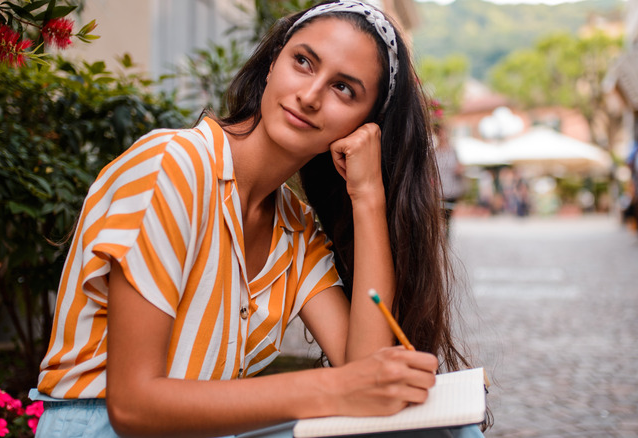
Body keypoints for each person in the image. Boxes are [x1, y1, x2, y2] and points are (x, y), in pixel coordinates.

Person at [31, 2, 483, 437]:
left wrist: (367, 196)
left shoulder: (295, 227)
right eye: (303, 62)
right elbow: (132, 406)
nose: (309, 96)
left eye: (344, 89)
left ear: (365, 125)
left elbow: (364, 371)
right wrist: (334, 389)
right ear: (272, 64)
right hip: (100, 427)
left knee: (442, 432)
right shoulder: (172, 166)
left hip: (205, 432)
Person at [433, 123, 465, 236]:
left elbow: (460, 166)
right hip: (438, 189)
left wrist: (459, 170)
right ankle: (441, 236)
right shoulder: (434, 152)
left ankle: (445, 237)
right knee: (439, 215)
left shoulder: (453, 151)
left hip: (452, 189)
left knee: (447, 217)